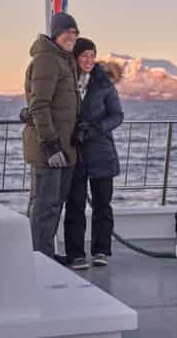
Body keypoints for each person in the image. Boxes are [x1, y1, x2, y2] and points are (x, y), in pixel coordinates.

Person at [22, 12, 81, 262]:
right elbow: (39, 105)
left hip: (65, 148)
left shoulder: (63, 60)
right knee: (44, 206)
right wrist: (51, 145)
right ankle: (38, 259)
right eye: (66, 32)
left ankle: (45, 254)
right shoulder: (47, 60)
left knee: (54, 205)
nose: (71, 36)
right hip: (49, 149)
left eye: (74, 33)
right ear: (56, 34)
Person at [63, 37, 125, 269]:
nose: (89, 60)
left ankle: (101, 250)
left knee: (102, 205)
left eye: (92, 55)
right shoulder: (66, 80)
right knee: (75, 205)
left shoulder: (104, 84)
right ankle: (75, 254)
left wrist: (97, 128)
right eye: (84, 56)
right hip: (75, 152)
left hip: (101, 152)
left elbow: (117, 115)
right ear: (75, 58)